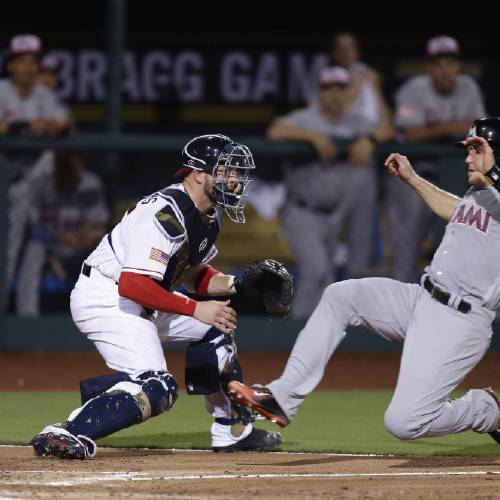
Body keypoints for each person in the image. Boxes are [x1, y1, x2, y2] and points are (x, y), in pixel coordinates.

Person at [228, 117, 500, 445]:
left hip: (460, 321)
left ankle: (487, 409)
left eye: (477, 149)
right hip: (421, 299)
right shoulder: (482, 193)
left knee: (404, 422)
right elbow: (456, 210)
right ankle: (282, 398)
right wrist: (413, 179)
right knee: (341, 296)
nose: (468, 157)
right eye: (467, 149)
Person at [30, 134, 282, 459]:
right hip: (106, 296)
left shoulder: (207, 215)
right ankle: (66, 432)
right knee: (158, 385)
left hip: (140, 296)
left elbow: (191, 274)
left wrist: (239, 285)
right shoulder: (166, 213)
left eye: (235, 172)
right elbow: (133, 285)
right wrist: (195, 309)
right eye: (226, 171)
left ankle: (231, 430)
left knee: (216, 328)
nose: (234, 179)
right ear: (198, 173)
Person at [267, 66, 378, 318]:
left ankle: (313, 338)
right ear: (320, 91)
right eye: (330, 89)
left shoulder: (354, 122)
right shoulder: (306, 118)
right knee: (316, 270)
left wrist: (370, 139)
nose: (335, 95)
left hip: (334, 215)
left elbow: (387, 130)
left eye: (341, 89)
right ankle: (296, 332)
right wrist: (311, 136)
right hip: (302, 211)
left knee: (326, 278)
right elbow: (274, 131)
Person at [389, 35, 486, 282]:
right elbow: (408, 133)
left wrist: (440, 129)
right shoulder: (413, 89)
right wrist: (451, 127)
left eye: (450, 63)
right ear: (429, 67)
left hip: (457, 178)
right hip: (416, 176)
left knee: (462, 245)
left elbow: (480, 132)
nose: (444, 70)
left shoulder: (468, 87)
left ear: (458, 66)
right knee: (407, 247)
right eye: (438, 64)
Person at [0, 34, 70, 309]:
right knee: (6, 253)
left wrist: (52, 126)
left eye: (34, 61)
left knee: (34, 252)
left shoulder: (44, 95)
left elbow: (62, 122)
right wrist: (27, 125)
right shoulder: (2, 90)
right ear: (11, 65)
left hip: (31, 185)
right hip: (6, 182)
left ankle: (26, 320)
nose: (29, 67)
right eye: (22, 61)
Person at [16, 152, 109, 315]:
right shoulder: (42, 184)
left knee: (107, 249)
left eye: (76, 164)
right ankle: (27, 314)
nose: (73, 169)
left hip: (82, 246)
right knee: (34, 249)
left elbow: (101, 223)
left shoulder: (90, 183)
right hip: (49, 246)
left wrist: (88, 236)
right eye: (67, 165)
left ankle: (100, 315)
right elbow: (29, 226)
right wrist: (57, 236)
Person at [329, 31, 393, 141]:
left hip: (370, 137)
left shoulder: (367, 74)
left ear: (357, 51)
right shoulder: (327, 78)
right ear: (334, 53)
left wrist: (375, 88)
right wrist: (354, 90)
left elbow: (385, 121)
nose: (346, 53)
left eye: (350, 48)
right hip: (341, 137)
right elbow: (332, 118)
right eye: (341, 49)